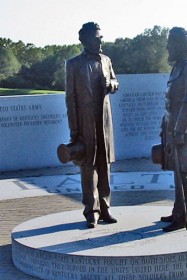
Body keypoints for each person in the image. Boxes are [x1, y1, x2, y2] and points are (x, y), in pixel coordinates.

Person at [65, 22, 119, 228]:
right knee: (88, 166)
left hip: (104, 121)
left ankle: (105, 207)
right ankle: (91, 211)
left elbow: (116, 81)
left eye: (100, 37)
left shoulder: (106, 60)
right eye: (96, 37)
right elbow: (70, 99)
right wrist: (74, 130)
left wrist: (111, 85)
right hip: (85, 121)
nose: (100, 40)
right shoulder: (73, 64)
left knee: (105, 165)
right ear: (84, 40)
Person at [160, 27, 187, 232]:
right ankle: (178, 210)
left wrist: (179, 131)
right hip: (173, 125)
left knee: (184, 171)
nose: (167, 48)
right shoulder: (177, 68)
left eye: (170, 43)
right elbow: (171, 102)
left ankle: (183, 217)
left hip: (183, 128)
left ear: (180, 45)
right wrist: (165, 125)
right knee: (176, 171)